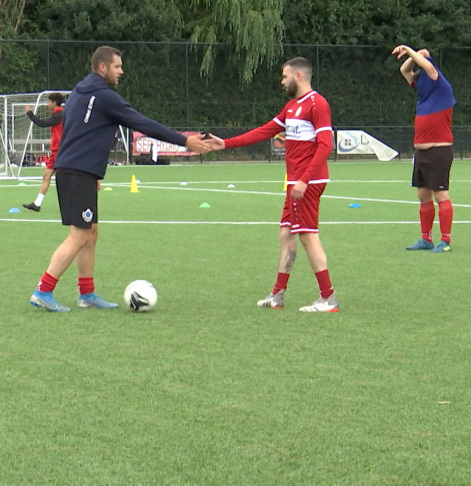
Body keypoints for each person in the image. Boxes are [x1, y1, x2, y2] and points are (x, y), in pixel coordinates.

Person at [30, 46, 212, 312]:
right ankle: (43, 290)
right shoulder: (105, 97)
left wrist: (90, 171)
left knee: (90, 233)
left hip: (75, 170)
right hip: (77, 171)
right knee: (79, 234)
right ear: (103, 68)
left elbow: (74, 131)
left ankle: (87, 294)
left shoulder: (78, 93)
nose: (121, 71)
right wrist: (185, 141)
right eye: (117, 66)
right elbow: (142, 122)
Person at [206, 57, 339, 313]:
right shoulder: (291, 106)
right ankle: (277, 295)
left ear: (298, 76)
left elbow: (326, 145)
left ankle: (328, 297)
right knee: (286, 234)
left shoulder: (317, 103)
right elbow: (265, 130)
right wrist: (226, 143)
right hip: (295, 182)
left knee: (308, 236)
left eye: (285, 76)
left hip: (307, 182)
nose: (282, 81)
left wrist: (304, 179)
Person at [392, 45, 456, 253]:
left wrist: (412, 51)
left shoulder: (441, 86)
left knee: (441, 195)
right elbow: (404, 71)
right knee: (423, 196)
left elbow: (427, 66)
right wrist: (414, 55)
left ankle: (445, 241)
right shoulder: (423, 91)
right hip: (421, 153)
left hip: (439, 151)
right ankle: (426, 238)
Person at [22, 92, 64, 211]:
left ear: (54, 103)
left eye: (49, 101)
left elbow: (41, 123)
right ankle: (37, 204)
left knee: (66, 179)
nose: (47, 104)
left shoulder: (59, 115)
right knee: (46, 176)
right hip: (55, 152)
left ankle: (75, 202)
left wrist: (29, 113)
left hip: (60, 152)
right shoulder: (58, 114)